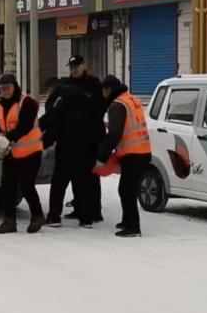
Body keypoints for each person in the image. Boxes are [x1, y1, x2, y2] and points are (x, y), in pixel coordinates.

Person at [0, 73, 46, 234]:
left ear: (14, 86)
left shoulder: (26, 102)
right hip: (14, 153)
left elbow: (25, 126)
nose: (5, 91)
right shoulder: (0, 107)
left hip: (32, 151)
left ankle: (37, 216)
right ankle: (9, 222)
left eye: (7, 88)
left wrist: (7, 138)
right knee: (7, 186)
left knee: (26, 185)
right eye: (1, 89)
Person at [40, 77, 101, 228]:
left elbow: (53, 122)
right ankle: (86, 218)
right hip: (87, 148)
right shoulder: (84, 96)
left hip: (67, 148)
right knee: (82, 183)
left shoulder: (59, 98)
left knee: (59, 183)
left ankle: (54, 217)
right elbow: (97, 121)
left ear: (51, 89)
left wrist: (43, 144)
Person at [97, 75, 152, 238]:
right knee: (127, 188)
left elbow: (114, 135)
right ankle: (127, 220)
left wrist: (102, 157)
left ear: (108, 90)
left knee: (127, 190)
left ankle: (133, 227)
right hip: (143, 151)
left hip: (133, 153)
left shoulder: (117, 105)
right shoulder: (131, 99)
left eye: (104, 91)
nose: (103, 94)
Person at [64, 54, 105, 222]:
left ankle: (95, 211)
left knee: (91, 176)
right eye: (71, 67)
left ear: (83, 66)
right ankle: (79, 208)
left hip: (91, 136)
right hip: (73, 137)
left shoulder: (94, 83)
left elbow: (101, 107)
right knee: (75, 175)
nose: (73, 70)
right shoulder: (68, 84)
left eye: (76, 66)